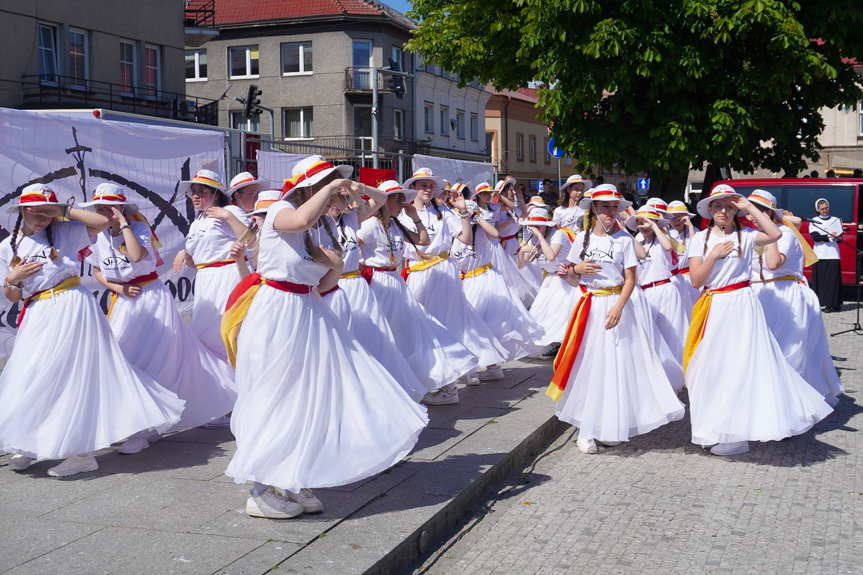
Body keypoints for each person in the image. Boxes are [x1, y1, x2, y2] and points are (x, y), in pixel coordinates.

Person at [221, 160, 428, 519]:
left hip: (306, 307)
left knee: (311, 394)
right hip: (278, 311)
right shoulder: (281, 211)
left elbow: (329, 276)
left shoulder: (324, 226)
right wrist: (332, 190)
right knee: (276, 395)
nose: (337, 189)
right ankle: (259, 488)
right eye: (329, 183)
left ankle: (289, 480)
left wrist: (353, 192)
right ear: (313, 186)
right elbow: (298, 222)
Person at [0, 184, 185, 477]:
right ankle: (29, 443)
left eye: (48, 212)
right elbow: (12, 296)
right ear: (22, 210)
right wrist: (13, 278)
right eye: (36, 211)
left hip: (71, 306)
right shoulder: (5, 248)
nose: (42, 217)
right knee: (30, 373)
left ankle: (80, 453)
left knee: (70, 375)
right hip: (37, 311)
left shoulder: (65, 231)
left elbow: (101, 222)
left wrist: (60, 210)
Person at [82, 183, 236, 449]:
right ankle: (138, 422)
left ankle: (146, 429)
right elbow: (97, 272)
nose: (104, 212)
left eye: (110, 207)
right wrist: (118, 287)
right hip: (124, 300)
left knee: (154, 360)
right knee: (123, 359)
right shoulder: (96, 237)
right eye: (100, 208)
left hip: (151, 298)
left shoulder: (138, 228)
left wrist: (123, 223)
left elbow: (136, 255)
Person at [684, 184, 833, 456]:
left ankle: (736, 435)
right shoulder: (699, 240)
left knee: (739, 368)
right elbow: (695, 280)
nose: (723, 211)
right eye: (718, 206)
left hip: (742, 305)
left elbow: (776, 232)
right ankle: (713, 428)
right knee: (705, 369)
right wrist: (714, 255)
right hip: (713, 305)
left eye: (729, 207)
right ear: (710, 210)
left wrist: (749, 206)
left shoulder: (748, 236)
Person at [548, 184, 684, 454]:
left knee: (616, 367)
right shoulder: (581, 239)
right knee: (589, 366)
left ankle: (609, 426)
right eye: (605, 206)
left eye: (614, 206)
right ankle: (586, 429)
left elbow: (631, 279)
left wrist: (619, 307)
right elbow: (573, 280)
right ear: (594, 209)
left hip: (616, 306)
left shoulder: (624, 240)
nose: (611, 211)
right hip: (590, 307)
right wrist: (575, 269)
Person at [358, 180, 478, 404]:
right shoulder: (371, 225)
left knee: (416, 331)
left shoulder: (395, 225)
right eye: (395, 199)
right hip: (377, 284)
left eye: (401, 199)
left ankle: (432, 382)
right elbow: (350, 247)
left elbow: (423, 240)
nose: (399, 203)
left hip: (395, 283)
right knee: (386, 336)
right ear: (383, 201)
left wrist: (414, 216)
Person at [399, 169, 507, 386]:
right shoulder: (402, 215)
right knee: (421, 322)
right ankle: (431, 370)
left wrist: (463, 212)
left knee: (450, 320)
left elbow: (466, 239)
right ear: (413, 188)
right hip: (418, 272)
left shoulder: (444, 213)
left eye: (431, 186)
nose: (428, 189)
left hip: (443, 270)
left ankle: (457, 369)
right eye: (423, 185)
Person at [746, 189, 843, 406]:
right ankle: (767, 401)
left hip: (785, 295)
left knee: (789, 353)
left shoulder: (785, 234)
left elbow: (773, 264)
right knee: (763, 352)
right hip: (759, 296)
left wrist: (771, 230)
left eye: (756, 212)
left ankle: (793, 403)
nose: (750, 217)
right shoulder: (750, 234)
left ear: (769, 213)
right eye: (750, 213)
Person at [173, 169, 251, 364]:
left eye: (202, 191)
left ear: (216, 194)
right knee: (203, 336)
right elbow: (200, 258)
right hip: (205, 281)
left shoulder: (231, 211)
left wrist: (227, 216)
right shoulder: (197, 221)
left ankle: (233, 380)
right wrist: (184, 254)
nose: (196, 196)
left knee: (220, 333)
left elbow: (251, 241)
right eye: (194, 191)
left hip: (226, 278)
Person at [628, 205, 687, 392]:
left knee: (671, 334)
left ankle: (674, 376)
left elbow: (669, 247)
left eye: (647, 222)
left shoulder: (664, 237)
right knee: (650, 337)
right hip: (645, 293)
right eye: (639, 222)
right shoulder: (636, 240)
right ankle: (656, 378)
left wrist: (655, 226)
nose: (643, 226)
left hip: (664, 289)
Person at [517, 206, 580, 359]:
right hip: (551, 280)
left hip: (566, 279)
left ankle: (561, 347)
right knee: (540, 315)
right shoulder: (534, 238)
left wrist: (539, 236)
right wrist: (522, 251)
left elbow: (551, 256)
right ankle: (556, 347)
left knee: (560, 316)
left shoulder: (558, 234)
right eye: (533, 227)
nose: (534, 230)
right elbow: (521, 265)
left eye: (538, 226)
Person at [808, 198, 843, 312]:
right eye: (822, 209)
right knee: (822, 281)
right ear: (818, 210)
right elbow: (816, 238)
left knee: (834, 280)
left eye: (826, 208)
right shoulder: (814, 221)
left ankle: (835, 303)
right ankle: (825, 303)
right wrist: (828, 236)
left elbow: (840, 239)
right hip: (821, 254)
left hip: (833, 254)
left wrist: (837, 237)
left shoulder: (836, 220)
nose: (825, 210)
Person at [666, 201, 700, 315]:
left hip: (689, 276)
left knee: (692, 309)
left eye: (680, 217)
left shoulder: (693, 231)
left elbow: (697, 247)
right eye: (673, 217)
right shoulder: (666, 233)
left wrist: (690, 226)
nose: (677, 221)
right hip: (672, 278)